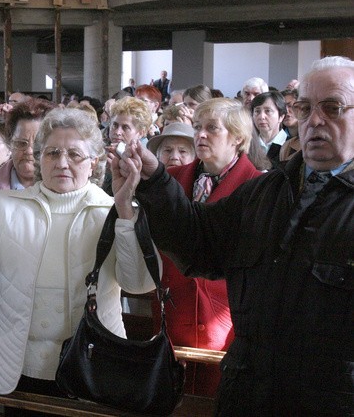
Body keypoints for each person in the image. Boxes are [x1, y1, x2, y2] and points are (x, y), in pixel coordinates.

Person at [122, 56, 354, 415]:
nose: (314, 120)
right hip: (248, 393)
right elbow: (198, 242)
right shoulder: (266, 192)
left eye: (333, 107)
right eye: (305, 108)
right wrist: (156, 182)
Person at [0, 107, 159, 415]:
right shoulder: (12, 205)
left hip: (93, 363)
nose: (62, 162)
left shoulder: (112, 210)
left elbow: (139, 282)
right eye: (52, 153)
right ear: (40, 158)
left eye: (75, 154)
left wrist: (125, 210)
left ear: (93, 162)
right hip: (20, 366)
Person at [155, 98, 262, 397]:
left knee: (213, 399)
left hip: (224, 320)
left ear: (238, 137)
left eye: (212, 128)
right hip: (172, 311)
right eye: (198, 127)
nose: (200, 135)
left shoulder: (257, 187)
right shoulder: (172, 179)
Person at [0, 97, 56, 339]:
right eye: (20, 143)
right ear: (9, 145)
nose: (29, 152)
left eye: (38, 143)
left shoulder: (67, 194)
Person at [102, 96, 151, 195]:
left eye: (125, 127)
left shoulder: (146, 160)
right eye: (114, 125)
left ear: (141, 133)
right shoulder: (105, 151)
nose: (117, 132)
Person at [251, 91, 287, 168]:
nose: (261, 116)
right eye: (257, 111)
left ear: (281, 117)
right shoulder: (249, 145)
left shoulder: (291, 146)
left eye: (268, 111)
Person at [279, 88, 300, 161]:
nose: (286, 111)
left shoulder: (307, 138)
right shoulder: (277, 139)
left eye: (290, 106)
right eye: (282, 107)